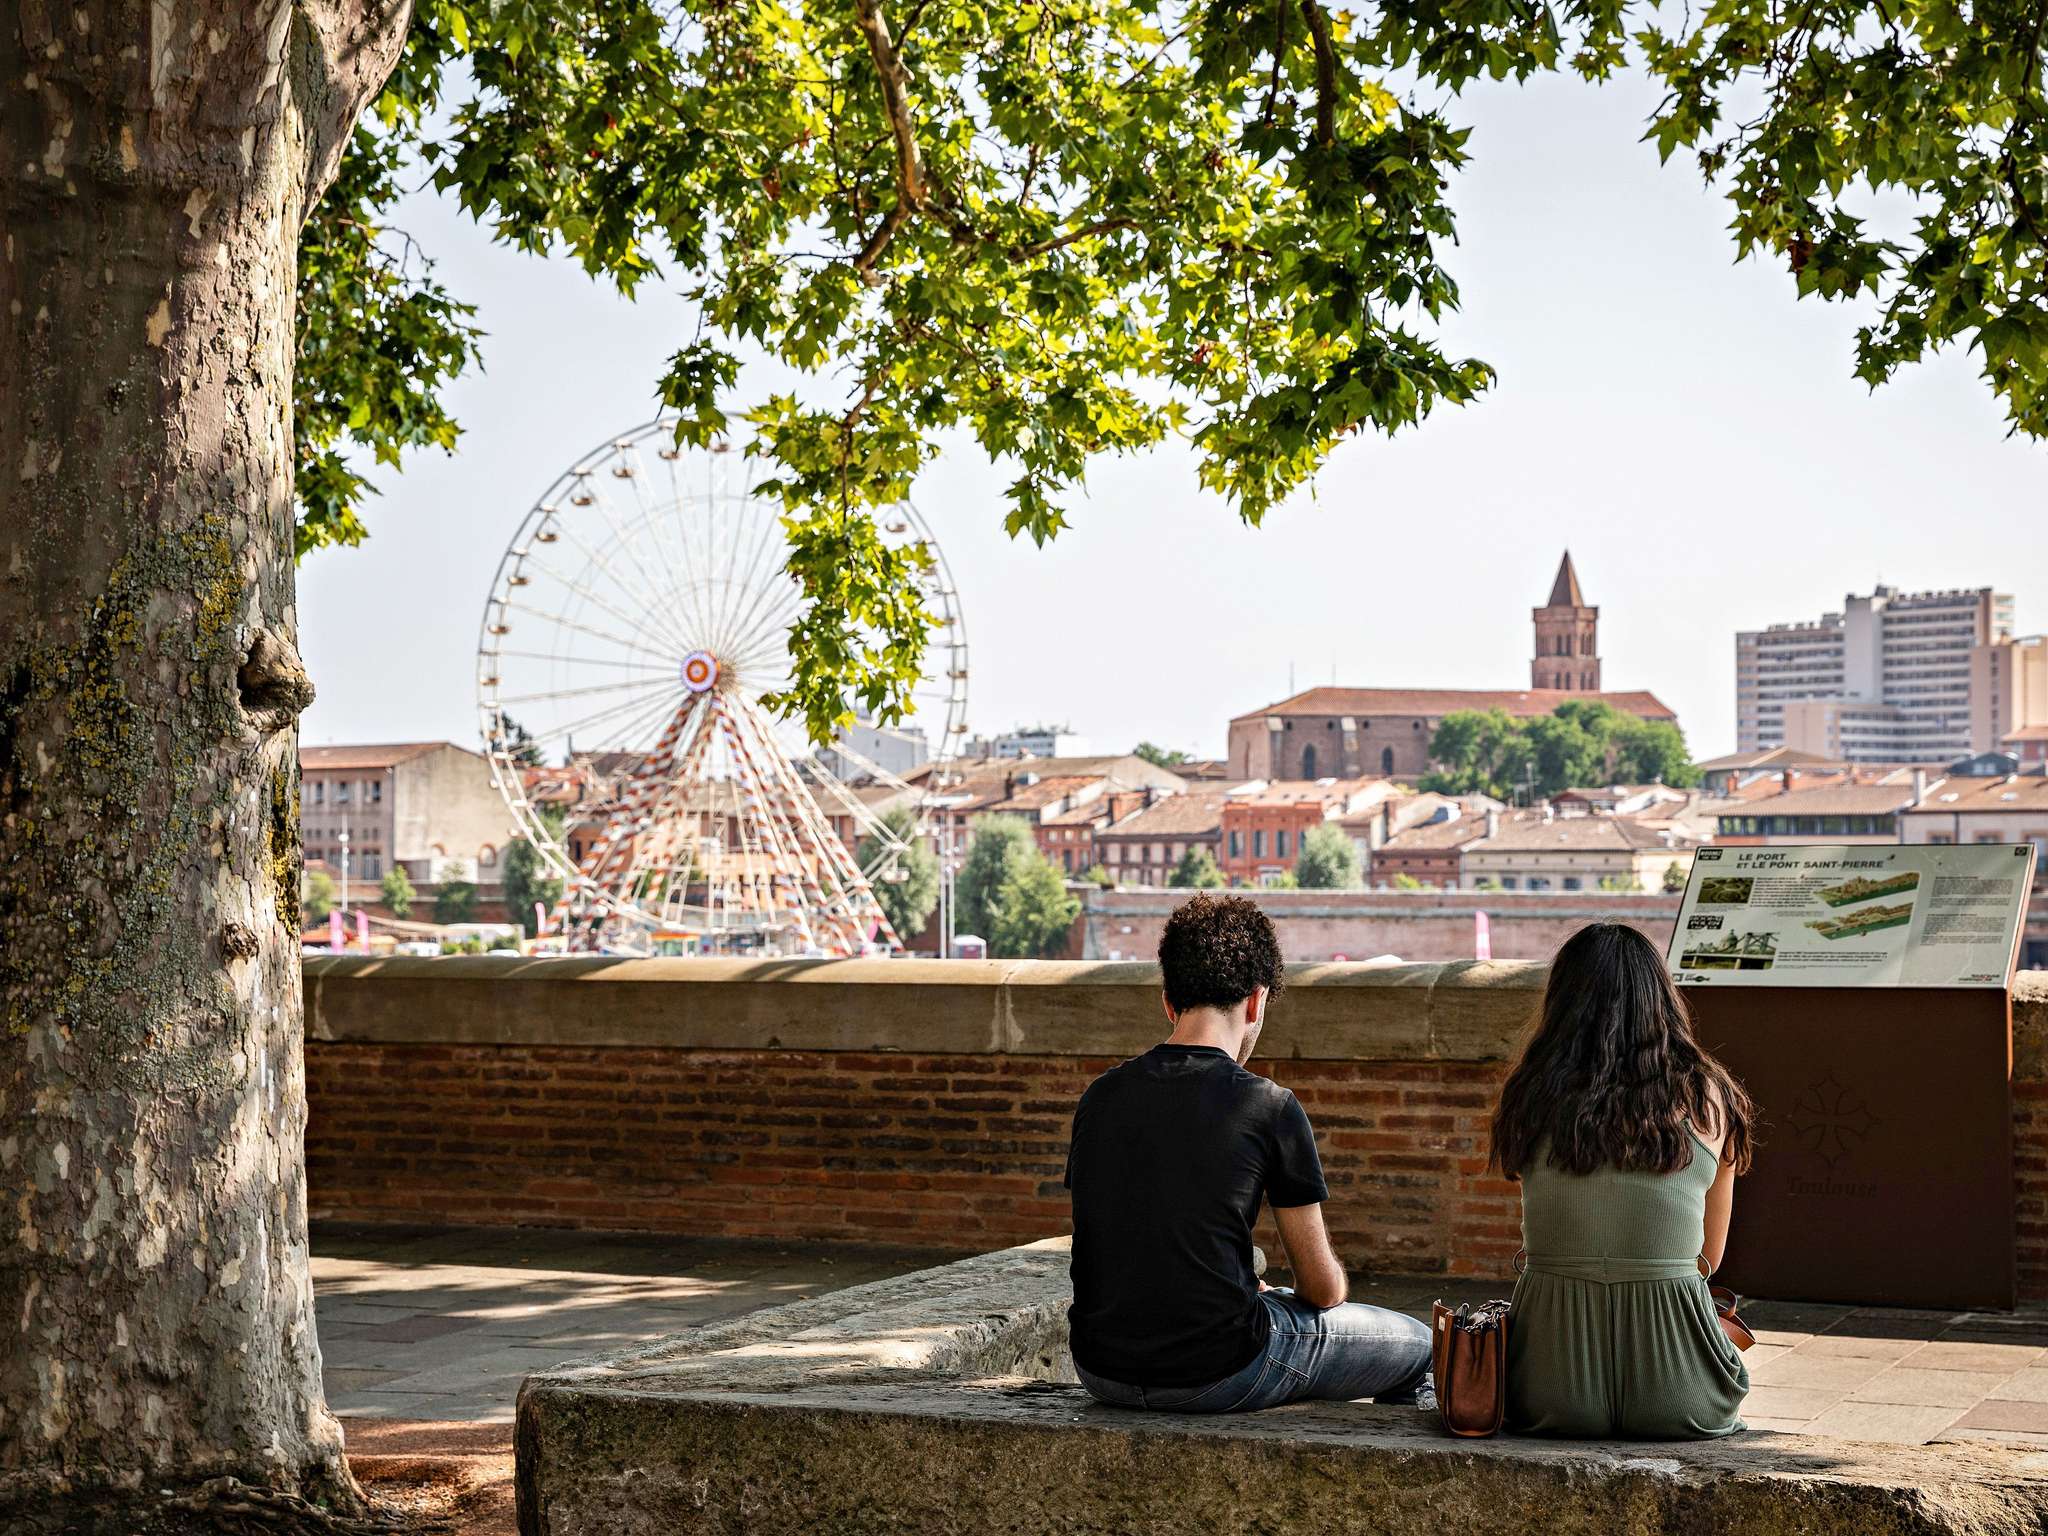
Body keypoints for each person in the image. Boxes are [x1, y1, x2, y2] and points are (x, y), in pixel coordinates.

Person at [1064, 892, 1432, 1413]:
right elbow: (1323, 1291)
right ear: (1257, 1001)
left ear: (1168, 1001)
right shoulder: (1268, 1105)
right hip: (1218, 1368)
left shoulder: (1100, 1097)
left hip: (1101, 1369)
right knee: (1422, 1345)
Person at [1490, 922, 1756, 1438]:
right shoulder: (1710, 1096)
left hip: (1546, 1389)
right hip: (1680, 1392)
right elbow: (1709, 1258)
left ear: (1563, 1002)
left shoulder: (1530, 1097)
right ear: (1662, 997)